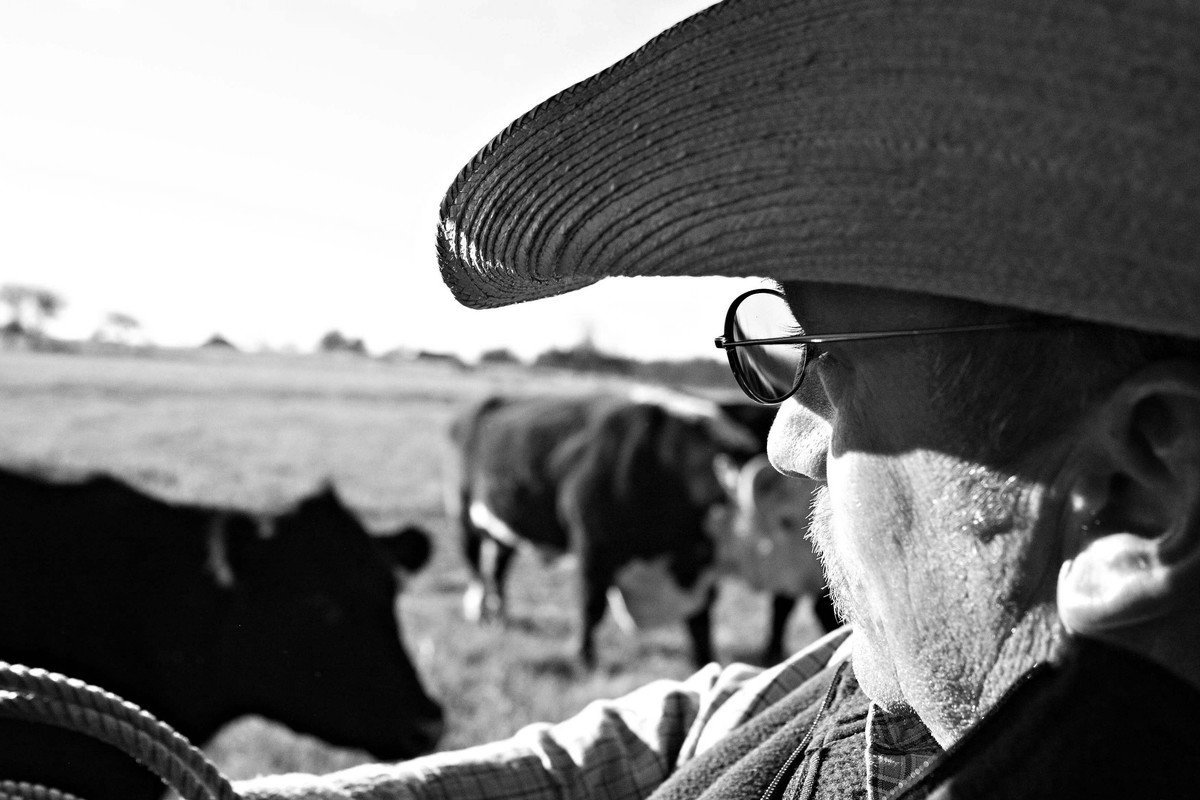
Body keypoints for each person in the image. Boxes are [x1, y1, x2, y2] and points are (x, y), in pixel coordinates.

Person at [238, 0, 1200, 797]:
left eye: (823, 362)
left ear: (1140, 485)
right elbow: (679, 732)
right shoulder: (881, 694)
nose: (786, 442)